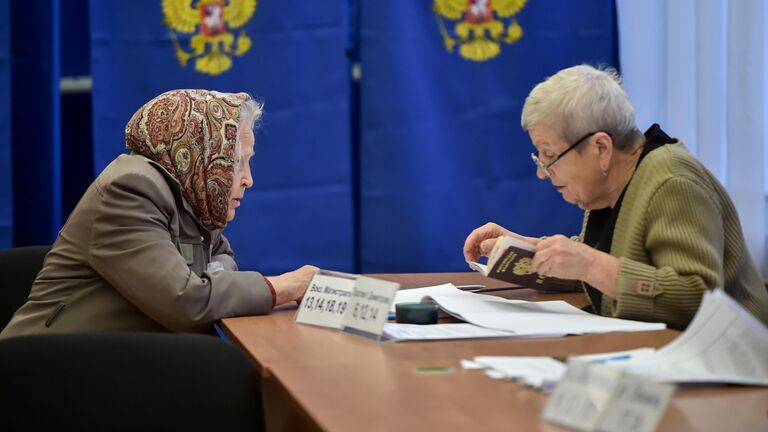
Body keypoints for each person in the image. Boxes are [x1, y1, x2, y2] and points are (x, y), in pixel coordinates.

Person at [463, 65, 768, 330]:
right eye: (539, 156)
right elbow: (602, 268)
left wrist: (590, 264)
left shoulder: (672, 181)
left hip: (738, 368)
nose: (543, 172)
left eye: (550, 155)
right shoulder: (609, 186)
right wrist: (525, 250)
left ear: (600, 149)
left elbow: (697, 299)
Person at [1, 89, 317, 337]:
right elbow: (186, 303)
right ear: (200, 152)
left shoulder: (193, 192)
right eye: (237, 162)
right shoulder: (130, 189)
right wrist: (284, 286)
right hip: (45, 372)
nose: (248, 179)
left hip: (112, 366)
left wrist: (210, 283)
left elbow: (221, 258)